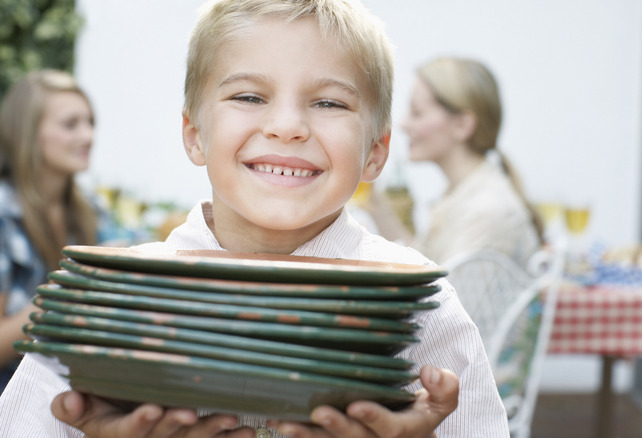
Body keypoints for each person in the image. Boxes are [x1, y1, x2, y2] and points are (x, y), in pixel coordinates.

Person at [0, 1, 510, 437]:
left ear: (375, 153)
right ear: (194, 134)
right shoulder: (107, 299)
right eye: (248, 96)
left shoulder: (422, 307)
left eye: (329, 102)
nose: (286, 126)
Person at [366, 57, 544, 267]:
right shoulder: (465, 193)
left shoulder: (484, 210)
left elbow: (440, 292)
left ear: (462, 125)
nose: (404, 124)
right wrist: (373, 203)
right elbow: (423, 262)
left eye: (417, 113)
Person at [0, 69, 105, 392]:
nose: (88, 136)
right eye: (70, 124)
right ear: (29, 133)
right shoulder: (4, 214)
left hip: (69, 395)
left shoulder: (90, 209)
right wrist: (64, 298)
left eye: (90, 123)